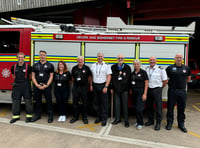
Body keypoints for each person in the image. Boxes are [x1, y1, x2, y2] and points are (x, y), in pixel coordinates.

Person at [165, 54, 191, 133]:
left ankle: (181, 124)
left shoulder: (186, 68)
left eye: (180, 58)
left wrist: (182, 84)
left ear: (182, 59)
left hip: (182, 91)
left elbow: (188, 77)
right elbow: (165, 78)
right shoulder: (169, 68)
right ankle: (169, 123)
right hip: (172, 90)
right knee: (170, 108)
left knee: (181, 108)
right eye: (177, 58)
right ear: (175, 59)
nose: (178, 59)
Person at [145, 56, 168, 130]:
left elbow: (165, 81)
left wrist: (160, 87)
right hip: (149, 89)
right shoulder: (146, 69)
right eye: (150, 60)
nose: (152, 61)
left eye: (153, 60)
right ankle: (150, 120)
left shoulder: (161, 69)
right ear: (149, 61)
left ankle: (158, 123)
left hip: (157, 89)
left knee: (158, 107)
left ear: (156, 61)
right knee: (149, 106)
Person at [31, 50, 54, 123]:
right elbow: (33, 76)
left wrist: (47, 85)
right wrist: (37, 85)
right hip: (37, 86)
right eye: (41, 55)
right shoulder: (35, 65)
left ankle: (50, 116)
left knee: (49, 101)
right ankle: (38, 115)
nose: (42, 56)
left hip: (46, 86)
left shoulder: (50, 65)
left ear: (46, 56)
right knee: (38, 101)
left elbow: (51, 76)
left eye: (44, 55)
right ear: (39, 56)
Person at [10, 52, 33, 123]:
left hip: (26, 85)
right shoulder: (13, 67)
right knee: (16, 101)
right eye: (19, 57)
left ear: (24, 58)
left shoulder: (28, 67)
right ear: (17, 58)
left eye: (22, 57)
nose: (20, 58)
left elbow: (31, 76)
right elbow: (13, 76)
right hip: (17, 86)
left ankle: (29, 116)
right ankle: (16, 117)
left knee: (28, 101)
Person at [90, 52, 112, 126]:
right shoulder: (93, 65)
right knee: (96, 103)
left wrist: (106, 86)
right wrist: (91, 85)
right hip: (95, 85)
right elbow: (91, 76)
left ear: (103, 57)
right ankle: (98, 117)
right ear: (97, 57)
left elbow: (109, 76)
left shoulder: (106, 66)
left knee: (104, 103)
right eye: (99, 56)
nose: (100, 57)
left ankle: (104, 119)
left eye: (101, 56)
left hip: (103, 86)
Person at [110, 54, 131, 128]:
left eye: (121, 58)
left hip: (124, 90)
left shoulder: (127, 67)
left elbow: (129, 79)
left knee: (125, 105)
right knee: (117, 105)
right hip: (116, 89)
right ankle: (117, 119)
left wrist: (129, 89)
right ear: (116, 59)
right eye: (119, 58)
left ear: (124, 59)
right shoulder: (113, 67)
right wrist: (111, 88)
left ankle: (126, 121)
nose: (120, 59)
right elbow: (111, 79)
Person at [70, 56, 92, 124]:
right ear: (77, 61)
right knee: (75, 103)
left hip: (84, 88)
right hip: (76, 87)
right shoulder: (74, 68)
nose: (80, 61)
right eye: (79, 60)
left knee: (85, 103)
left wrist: (89, 85)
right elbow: (72, 78)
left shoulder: (86, 68)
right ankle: (75, 117)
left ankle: (84, 117)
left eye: (81, 60)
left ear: (83, 61)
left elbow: (90, 77)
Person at [130, 60, 148, 130]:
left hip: (141, 92)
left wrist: (145, 94)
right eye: (135, 64)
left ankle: (141, 123)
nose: (136, 65)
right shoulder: (132, 73)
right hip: (134, 93)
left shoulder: (143, 72)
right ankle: (138, 121)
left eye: (137, 64)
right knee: (135, 107)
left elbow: (146, 83)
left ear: (140, 65)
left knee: (139, 108)